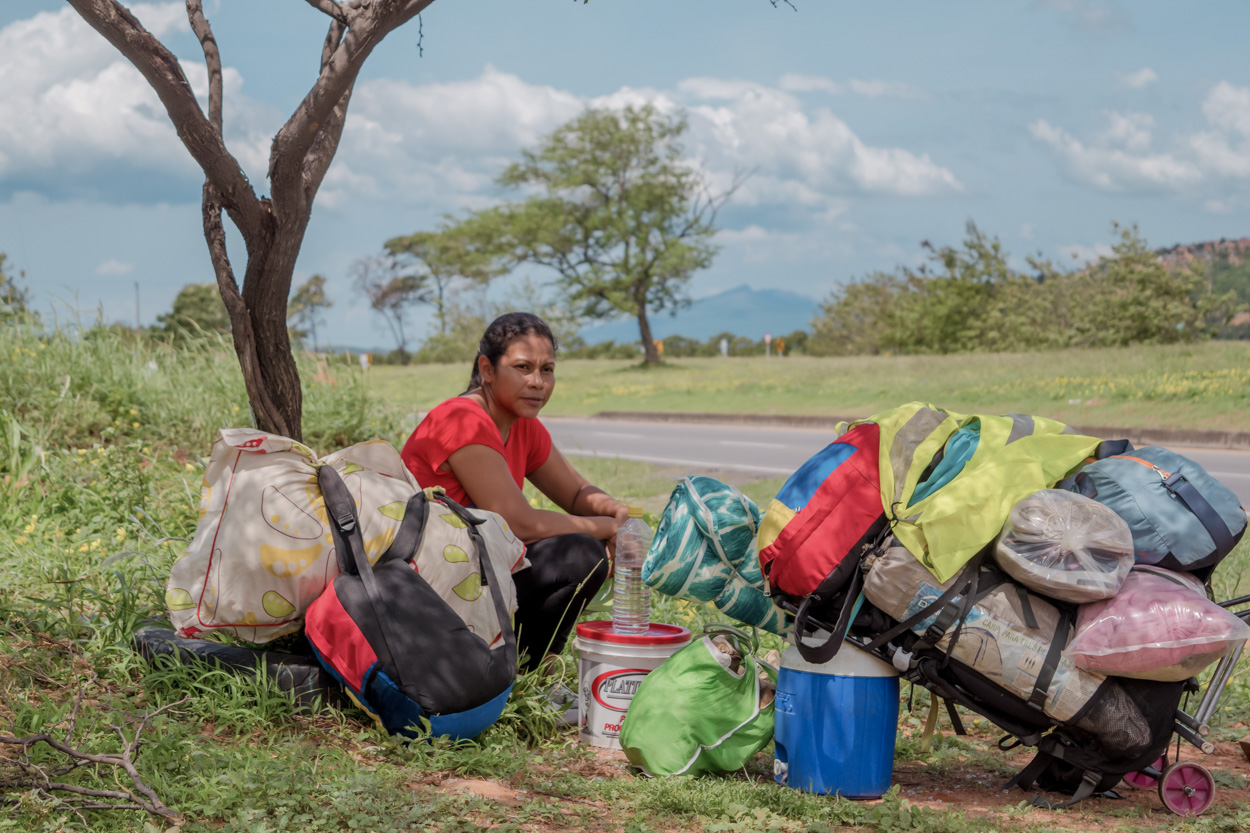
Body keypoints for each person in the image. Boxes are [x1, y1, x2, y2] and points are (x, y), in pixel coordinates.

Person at [400, 312, 628, 674]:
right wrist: (606, 529)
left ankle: (524, 668)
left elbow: (576, 492)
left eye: (547, 369)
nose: (537, 382)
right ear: (487, 369)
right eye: (523, 367)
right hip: (426, 585)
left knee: (584, 548)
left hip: (475, 571)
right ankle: (526, 671)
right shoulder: (461, 420)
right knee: (580, 554)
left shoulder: (523, 425)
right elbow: (520, 524)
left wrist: (618, 515)